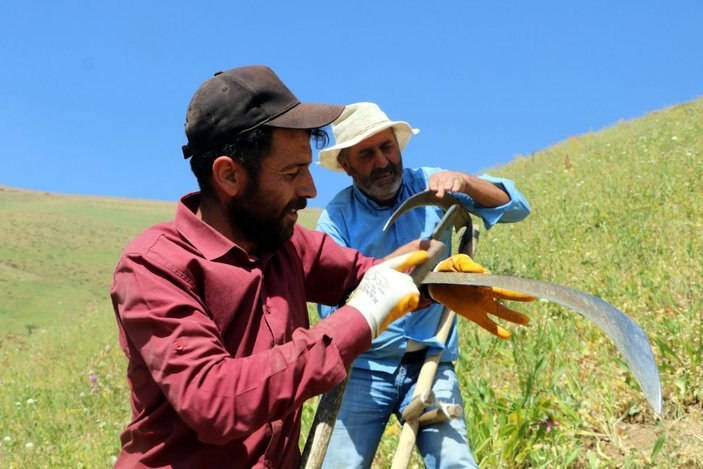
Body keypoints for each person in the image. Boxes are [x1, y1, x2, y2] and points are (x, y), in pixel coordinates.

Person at [109, 67, 436, 468]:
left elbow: (369, 274)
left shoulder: (286, 244)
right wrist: (362, 316)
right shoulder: (155, 268)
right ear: (229, 175)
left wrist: (441, 280)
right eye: (292, 172)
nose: (310, 190)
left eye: (308, 168)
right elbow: (215, 401)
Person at [316, 102, 533, 468]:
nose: (382, 162)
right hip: (363, 371)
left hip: (432, 361)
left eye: (387, 148)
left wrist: (465, 183)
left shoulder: (431, 185)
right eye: (366, 155)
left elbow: (517, 206)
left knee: (455, 462)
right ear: (347, 166)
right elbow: (332, 305)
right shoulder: (336, 219)